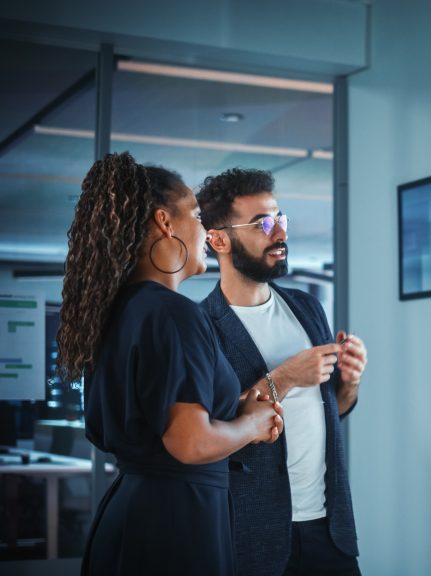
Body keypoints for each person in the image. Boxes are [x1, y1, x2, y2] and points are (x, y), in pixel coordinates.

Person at [57, 152, 284, 575]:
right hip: (177, 524)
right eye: (196, 214)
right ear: (165, 222)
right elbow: (189, 443)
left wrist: (240, 409)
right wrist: (253, 426)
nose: (204, 228)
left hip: (130, 512)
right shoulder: (174, 313)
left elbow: (160, 418)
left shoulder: (119, 312)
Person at [197, 168, 367, 576]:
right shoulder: (200, 326)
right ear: (218, 239)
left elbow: (331, 409)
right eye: (263, 224)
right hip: (253, 539)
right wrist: (285, 378)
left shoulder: (307, 307)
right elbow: (205, 431)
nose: (280, 233)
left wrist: (351, 381)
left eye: (280, 219)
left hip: (330, 530)